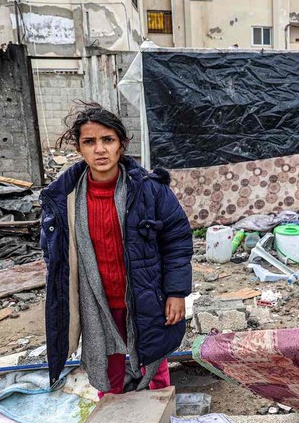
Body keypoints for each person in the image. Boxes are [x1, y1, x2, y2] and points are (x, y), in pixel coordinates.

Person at [40, 103, 193, 395]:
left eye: (107, 140)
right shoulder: (64, 199)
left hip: (145, 295)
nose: (100, 150)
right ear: (79, 148)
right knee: (108, 372)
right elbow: (54, 254)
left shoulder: (150, 190)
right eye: (90, 141)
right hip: (96, 302)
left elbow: (177, 241)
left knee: (152, 364)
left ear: (121, 145)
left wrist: (176, 292)